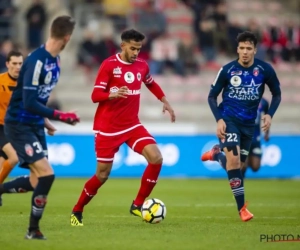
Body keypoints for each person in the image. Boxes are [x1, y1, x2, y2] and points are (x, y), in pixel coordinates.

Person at [70, 29, 176, 226]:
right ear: (123, 46)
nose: (136, 53)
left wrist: (165, 101)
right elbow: (95, 96)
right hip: (107, 128)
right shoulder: (109, 65)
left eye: (139, 49)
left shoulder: (142, 66)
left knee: (156, 158)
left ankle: (137, 204)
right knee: (102, 175)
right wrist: (112, 93)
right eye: (133, 48)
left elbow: (151, 83)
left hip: (132, 125)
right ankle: (77, 210)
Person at [1, 15, 79, 240]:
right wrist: (59, 115)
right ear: (66, 37)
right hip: (19, 124)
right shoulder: (36, 61)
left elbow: (40, 97)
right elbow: (28, 101)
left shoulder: (56, 61)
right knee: (47, 174)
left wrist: (46, 121)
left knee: (36, 180)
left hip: (35, 124)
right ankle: (32, 230)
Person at [206, 31, 281, 222]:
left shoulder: (265, 70)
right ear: (237, 50)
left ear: (255, 50)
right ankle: (242, 209)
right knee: (234, 163)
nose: (245, 52)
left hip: (249, 126)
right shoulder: (227, 70)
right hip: (229, 120)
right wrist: (219, 120)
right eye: (242, 48)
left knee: (238, 166)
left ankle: (216, 155)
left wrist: (270, 115)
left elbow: (277, 94)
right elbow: (212, 96)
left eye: (249, 48)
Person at [201, 98, 270, 178]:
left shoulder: (264, 102)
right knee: (241, 165)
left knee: (255, 167)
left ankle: (217, 155)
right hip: (242, 137)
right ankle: (240, 186)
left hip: (255, 139)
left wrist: (267, 132)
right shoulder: (240, 98)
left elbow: (266, 115)